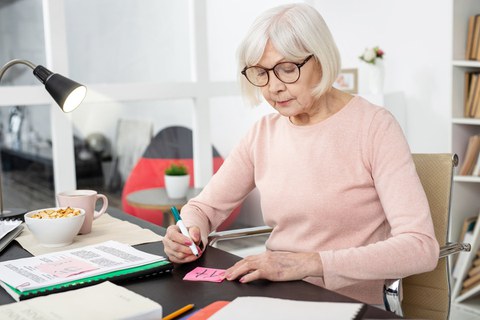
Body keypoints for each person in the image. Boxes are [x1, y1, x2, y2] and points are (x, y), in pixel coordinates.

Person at [163, 3, 439, 305]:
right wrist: (189, 231)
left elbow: (420, 247)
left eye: (287, 68)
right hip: (273, 297)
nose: (274, 87)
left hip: (345, 304)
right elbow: (203, 208)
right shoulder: (263, 133)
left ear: (320, 59)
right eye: (261, 73)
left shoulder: (374, 126)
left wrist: (309, 263)